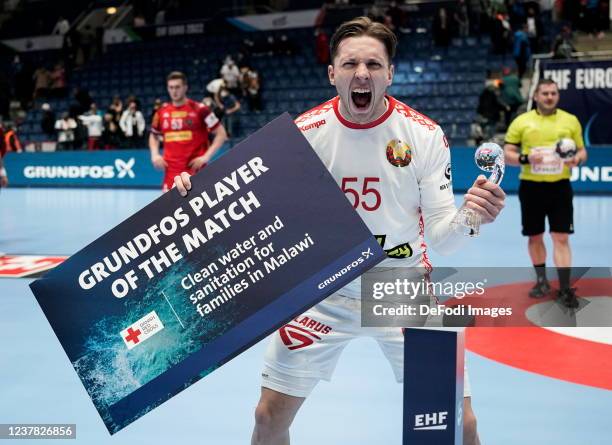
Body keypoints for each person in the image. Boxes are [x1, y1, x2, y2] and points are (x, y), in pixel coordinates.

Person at [173, 17, 505, 445]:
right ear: (333, 74)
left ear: (390, 74)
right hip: (322, 293)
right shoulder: (303, 134)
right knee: (268, 418)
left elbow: (443, 238)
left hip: (401, 290)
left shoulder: (424, 136)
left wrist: (473, 218)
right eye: (349, 64)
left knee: (462, 424)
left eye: (373, 64)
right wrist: (196, 199)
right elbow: (251, 210)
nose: (361, 73)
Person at [503, 78, 587, 308]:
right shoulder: (522, 122)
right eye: (545, 93)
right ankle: (541, 282)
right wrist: (525, 158)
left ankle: (565, 287)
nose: (549, 97)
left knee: (561, 237)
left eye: (553, 93)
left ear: (557, 95)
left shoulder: (570, 121)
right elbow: (507, 151)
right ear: (537, 96)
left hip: (560, 186)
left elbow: (582, 151)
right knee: (535, 236)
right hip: (531, 187)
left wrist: (576, 160)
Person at [149, 71, 228, 191]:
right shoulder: (161, 112)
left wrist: (206, 157)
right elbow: (153, 135)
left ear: (185, 87)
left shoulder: (201, 109)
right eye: (171, 87)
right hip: (171, 174)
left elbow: (221, 134)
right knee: (169, 209)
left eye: (177, 87)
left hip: (196, 172)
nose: (174, 91)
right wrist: (155, 155)